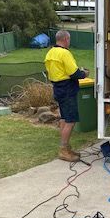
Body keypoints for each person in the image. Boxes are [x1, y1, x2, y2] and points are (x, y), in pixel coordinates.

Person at [44, 30, 88, 161]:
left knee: (64, 118)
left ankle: (66, 147)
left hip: (57, 88)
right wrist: (84, 73)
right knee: (71, 120)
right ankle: (63, 150)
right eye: (69, 39)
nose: (69, 42)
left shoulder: (50, 53)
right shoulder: (65, 53)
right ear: (65, 39)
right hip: (67, 89)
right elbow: (74, 73)